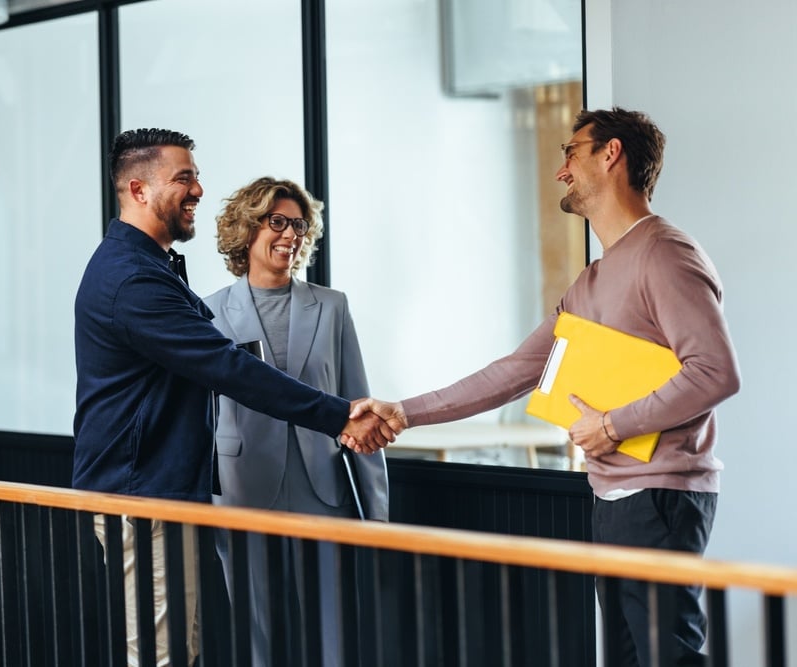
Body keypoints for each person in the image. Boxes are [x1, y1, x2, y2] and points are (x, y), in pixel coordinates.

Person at [348, 108, 741, 666]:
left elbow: (715, 371)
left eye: (571, 152)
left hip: (661, 496)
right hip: (615, 499)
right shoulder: (594, 279)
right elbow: (514, 370)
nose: (561, 170)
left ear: (611, 155)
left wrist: (611, 425)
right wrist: (403, 412)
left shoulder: (665, 254)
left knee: (669, 659)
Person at [72, 128, 394, 667]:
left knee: (179, 649)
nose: (198, 189)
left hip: (164, 492)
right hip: (142, 497)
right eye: (184, 178)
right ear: (138, 190)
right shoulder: (134, 280)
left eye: (196, 176)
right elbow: (230, 368)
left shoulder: (151, 268)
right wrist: (340, 415)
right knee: (162, 655)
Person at [204, 176, 389, 666]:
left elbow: (358, 403)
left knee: (332, 629)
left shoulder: (332, 307)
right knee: (253, 626)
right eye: (277, 222)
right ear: (247, 229)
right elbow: (200, 413)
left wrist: (378, 511)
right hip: (242, 487)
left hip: (322, 485)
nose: (291, 235)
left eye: (300, 225)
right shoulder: (209, 313)